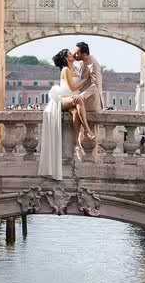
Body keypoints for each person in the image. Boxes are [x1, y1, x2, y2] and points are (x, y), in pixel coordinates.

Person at [37, 49, 95, 180]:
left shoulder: (75, 67)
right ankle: (87, 130)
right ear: (65, 58)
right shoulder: (65, 70)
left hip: (71, 99)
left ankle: (76, 145)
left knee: (76, 111)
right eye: (69, 53)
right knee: (79, 99)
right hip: (62, 100)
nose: (72, 55)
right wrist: (85, 79)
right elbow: (74, 88)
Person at [72, 41, 104, 153]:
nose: (74, 55)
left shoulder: (93, 64)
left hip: (91, 102)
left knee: (87, 134)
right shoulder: (82, 63)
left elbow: (96, 85)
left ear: (84, 54)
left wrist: (82, 95)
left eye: (76, 53)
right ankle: (78, 148)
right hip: (83, 101)